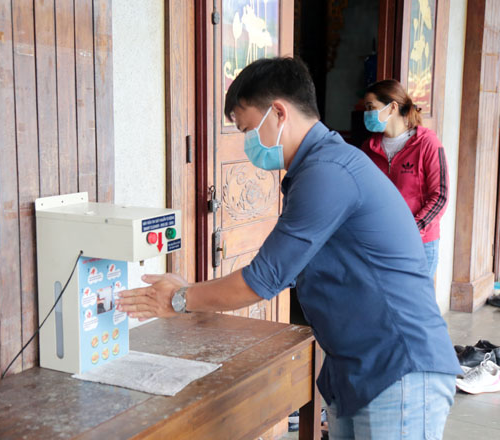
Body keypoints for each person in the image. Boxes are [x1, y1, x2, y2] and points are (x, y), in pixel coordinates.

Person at [116, 57, 461, 439]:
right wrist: (193, 292)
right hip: (359, 369)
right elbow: (288, 268)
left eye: (248, 129)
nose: (248, 143)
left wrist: (180, 299)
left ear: (279, 113)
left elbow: (264, 279)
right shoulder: (321, 167)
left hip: (398, 368)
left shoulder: (328, 172)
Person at [360, 80, 448, 278]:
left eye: (371, 107)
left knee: (414, 298)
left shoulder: (427, 143)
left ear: (392, 107)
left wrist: (411, 231)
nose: (367, 114)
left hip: (419, 243)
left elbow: (440, 196)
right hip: (380, 242)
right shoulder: (369, 148)